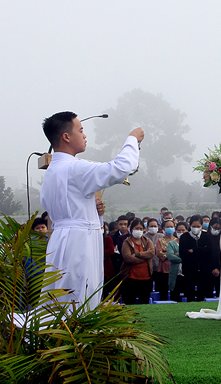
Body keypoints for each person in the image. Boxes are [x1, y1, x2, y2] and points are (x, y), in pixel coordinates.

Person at [40, 111, 143, 309]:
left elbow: (65, 206)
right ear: (66, 137)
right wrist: (132, 140)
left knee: (62, 297)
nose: (85, 135)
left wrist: (91, 209)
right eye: (81, 130)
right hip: (79, 241)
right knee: (79, 295)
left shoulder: (53, 170)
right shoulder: (74, 168)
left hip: (63, 237)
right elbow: (121, 168)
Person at [179, 215, 214, 302]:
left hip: (203, 269)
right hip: (189, 269)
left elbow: (210, 251)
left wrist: (194, 250)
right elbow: (183, 253)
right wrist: (202, 250)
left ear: (201, 226)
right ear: (190, 226)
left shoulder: (207, 236)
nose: (196, 228)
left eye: (198, 226)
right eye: (194, 226)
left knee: (202, 292)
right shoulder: (184, 237)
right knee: (189, 292)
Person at [120, 218, 154, 305]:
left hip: (146, 278)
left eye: (141, 229)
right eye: (136, 228)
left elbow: (151, 253)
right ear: (131, 229)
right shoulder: (127, 242)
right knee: (129, 302)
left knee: (144, 303)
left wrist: (137, 254)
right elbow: (128, 258)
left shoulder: (147, 241)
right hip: (131, 278)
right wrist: (145, 256)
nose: (139, 230)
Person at [155, 218, 178, 301]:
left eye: (171, 226)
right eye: (167, 227)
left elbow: (180, 254)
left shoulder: (177, 240)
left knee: (175, 292)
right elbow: (159, 254)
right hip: (163, 270)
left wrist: (167, 254)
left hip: (176, 270)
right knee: (163, 292)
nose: (170, 228)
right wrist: (172, 255)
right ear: (163, 228)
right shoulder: (160, 240)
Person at [168, 221, 187, 302]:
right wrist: (185, 258)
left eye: (183, 230)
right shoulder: (171, 243)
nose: (181, 232)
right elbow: (171, 256)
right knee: (175, 296)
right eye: (179, 230)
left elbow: (194, 256)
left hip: (187, 274)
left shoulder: (189, 243)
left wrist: (178, 254)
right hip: (176, 275)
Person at [206, 217, 221, 298]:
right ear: (210, 226)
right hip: (208, 269)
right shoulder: (206, 237)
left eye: (218, 228)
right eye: (215, 228)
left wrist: (218, 268)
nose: (216, 230)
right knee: (208, 291)